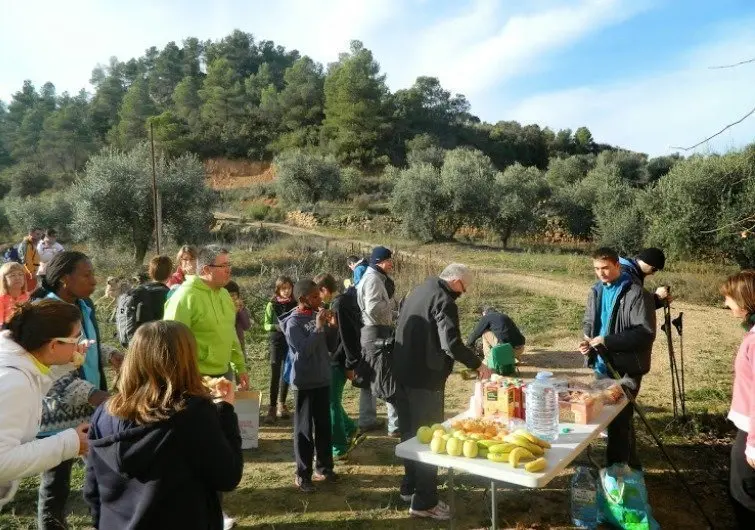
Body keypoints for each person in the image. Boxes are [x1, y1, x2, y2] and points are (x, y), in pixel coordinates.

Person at [84, 320, 243, 530]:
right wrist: (226, 411)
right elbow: (227, 476)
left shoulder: (104, 412)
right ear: (185, 359)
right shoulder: (192, 414)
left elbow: (93, 487)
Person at [393, 263, 492, 520]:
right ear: (456, 281)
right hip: (425, 378)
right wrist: (478, 364)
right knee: (429, 437)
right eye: (464, 287)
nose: (464, 292)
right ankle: (424, 502)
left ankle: (410, 487)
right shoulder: (444, 300)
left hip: (402, 373)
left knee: (409, 433)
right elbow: (451, 344)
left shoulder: (419, 290)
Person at [31, 251, 120, 530]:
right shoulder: (46, 312)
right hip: (57, 410)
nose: (94, 280)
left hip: (89, 403)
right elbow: (49, 367)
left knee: (101, 470)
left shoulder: (84, 304)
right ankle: (52, 525)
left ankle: (106, 521)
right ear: (64, 280)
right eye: (87, 275)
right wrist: (93, 395)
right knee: (56, 478)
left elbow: (85, 347)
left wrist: (113, 355)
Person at [0, 300, 89, 511]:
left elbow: (35, 380)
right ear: (53, 345)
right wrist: (71, 443)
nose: (79, 345)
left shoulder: (16, 360)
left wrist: (61, 366)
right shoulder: (15, 382)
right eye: (75, 338)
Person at [578, 247, 656, 471]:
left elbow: (645, 333)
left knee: (619, 421)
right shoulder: (596, 290)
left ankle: (617, 469)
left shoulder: (637, 294)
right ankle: (624, 464)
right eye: (596, 269)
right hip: (601, 364)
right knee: (604, 416)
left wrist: (607, 341)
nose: (601, 273)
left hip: (626, 368)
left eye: (605, 268)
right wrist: (588, 341)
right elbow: (588, 321)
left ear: (617, 266)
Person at [164, 245, 249, 390]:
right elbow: (172, 344)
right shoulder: (184, 297)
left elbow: (230, 333)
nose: (228, 269)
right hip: (195, 377)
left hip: (224, 373)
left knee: (224, 413)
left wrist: (240, 367)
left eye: (229, 264)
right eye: (223, 266)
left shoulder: (224, 294)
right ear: (206, 269)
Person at [283, 279, 337, 493]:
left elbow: (330, 346)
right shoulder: (293, 322)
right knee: (304, 430)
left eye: (319, 295)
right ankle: (302, 474)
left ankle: (324, 468)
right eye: (314, 297)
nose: (319, 299)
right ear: (303, 299)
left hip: (322, 379)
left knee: (324, 426)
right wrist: (318, 327)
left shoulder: (318, 315)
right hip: (304, 382)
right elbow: (303, 351)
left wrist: (332, 326)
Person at [720, 271, 755, 527]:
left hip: (752, 433)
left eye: (729, 298)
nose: (726, 304)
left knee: (744, 496)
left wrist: (753, 444)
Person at [314, 273, 358, 460]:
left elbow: (347, 338)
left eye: (318, 293)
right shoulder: (340, 302)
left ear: (325, 290)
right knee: (333, 401)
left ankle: (339, 447)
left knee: (331, 403)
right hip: (337, 360)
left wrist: (348, 364)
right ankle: (349, 428)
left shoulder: (339, 305)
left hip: (337, 362)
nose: (317, 298)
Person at [356, 246, 399, 436]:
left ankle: (367, 420)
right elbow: (373, 308)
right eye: (389, 260)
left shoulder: (373, 277)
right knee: (387, 376)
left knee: (369, 377)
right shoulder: (373, 279)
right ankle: (395, 427)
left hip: (369, 332)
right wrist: (393, 306)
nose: (391, 264)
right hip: (376, 331)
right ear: (379, 262)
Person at [115, 255, 171, 347]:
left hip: (133, 345)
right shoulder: (168, 295)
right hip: (155, 347)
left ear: (150, 272)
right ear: (170, 273)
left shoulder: (136, 291)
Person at [262, 276, 296, 422]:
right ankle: (272, 407)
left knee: (286, 373)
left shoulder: (295, 303)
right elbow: (265, 324)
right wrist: (276, 327)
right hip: (276, 342)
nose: (286, 291)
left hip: (290, 343)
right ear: (278, 289)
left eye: (289, 288)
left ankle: (282, 405)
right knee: (275, 373)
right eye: (283, 288)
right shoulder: (272, 304)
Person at [224, 281, 251, 360]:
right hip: (225, 342)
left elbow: (246, 326)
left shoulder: (240, 307)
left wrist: (241, 310)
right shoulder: (220, 308)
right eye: (230, 295)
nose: (233, 298)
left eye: (234, 295)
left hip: (239, 341)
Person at [18, 227, 43, 292]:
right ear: (31, 233)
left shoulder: (31, 244)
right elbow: (27, 260)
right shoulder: (27, 245)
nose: (39, 236)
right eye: (37, 234)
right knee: (28, 294)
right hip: (27, 274)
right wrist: (32, 273)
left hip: (29, 273)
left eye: (40, 235)